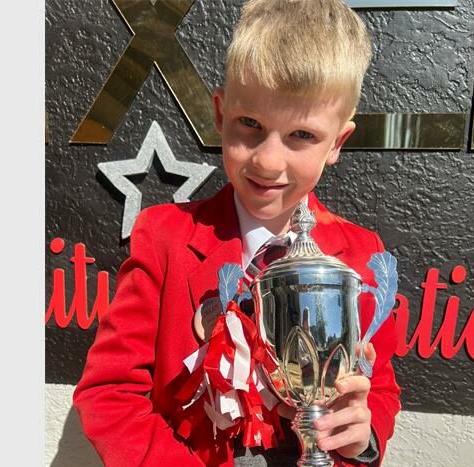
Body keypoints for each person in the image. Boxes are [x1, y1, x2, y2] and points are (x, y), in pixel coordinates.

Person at [73, 0, 401, 465]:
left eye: (302, 135)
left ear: (337, 142)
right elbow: (109, 393)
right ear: (220, 113)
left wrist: (362, 437)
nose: (267, 160)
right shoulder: (164, 237)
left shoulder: (362, 255)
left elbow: (380, 388)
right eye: (250, 124)